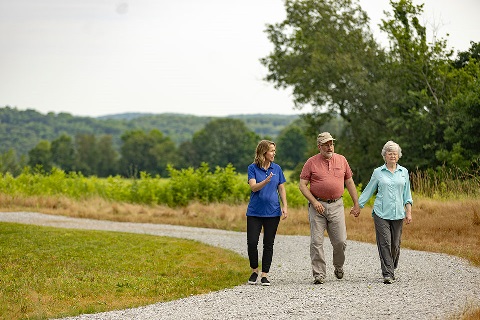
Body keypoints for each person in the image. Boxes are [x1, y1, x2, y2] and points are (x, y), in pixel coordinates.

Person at [299, 132, 360, 284]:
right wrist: (314, 202)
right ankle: (319, 274)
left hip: (337, 205)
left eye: (331, 143)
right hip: (317, 207)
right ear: (319, 146)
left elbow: (350, 182)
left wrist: (356, 204)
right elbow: (302, 185)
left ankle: (338, 266)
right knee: (316, 242)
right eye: (326, 144)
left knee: (340, 241)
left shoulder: (342, 160)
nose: (329, 147)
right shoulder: (311, 162)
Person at [356, 140, 413, 284]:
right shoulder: (378, 172)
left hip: (398, 213)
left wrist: (409, 212)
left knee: (395, 244)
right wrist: (358, 205)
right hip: (381, 213)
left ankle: (391, 266)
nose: (392, 156)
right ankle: (387, 273)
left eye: (395, 153)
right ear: (385, 156)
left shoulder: (404, 172)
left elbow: (407, 195)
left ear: (398, 155)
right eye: (389, 153)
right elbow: (369, 190)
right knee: (385, 243)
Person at [246, 140, 288, 286]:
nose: (274, 153)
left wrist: (285, 206)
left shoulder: (277, 168)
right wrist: (266, 180)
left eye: (274, 151)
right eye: (271, 151)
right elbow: (253, 187)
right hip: (254, 212)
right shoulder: (252, 168)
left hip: (273, 212)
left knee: (268, 243)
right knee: (252, 242)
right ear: (263, 152)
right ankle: (254, 271)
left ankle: (264, 275)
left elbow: (281, 188)